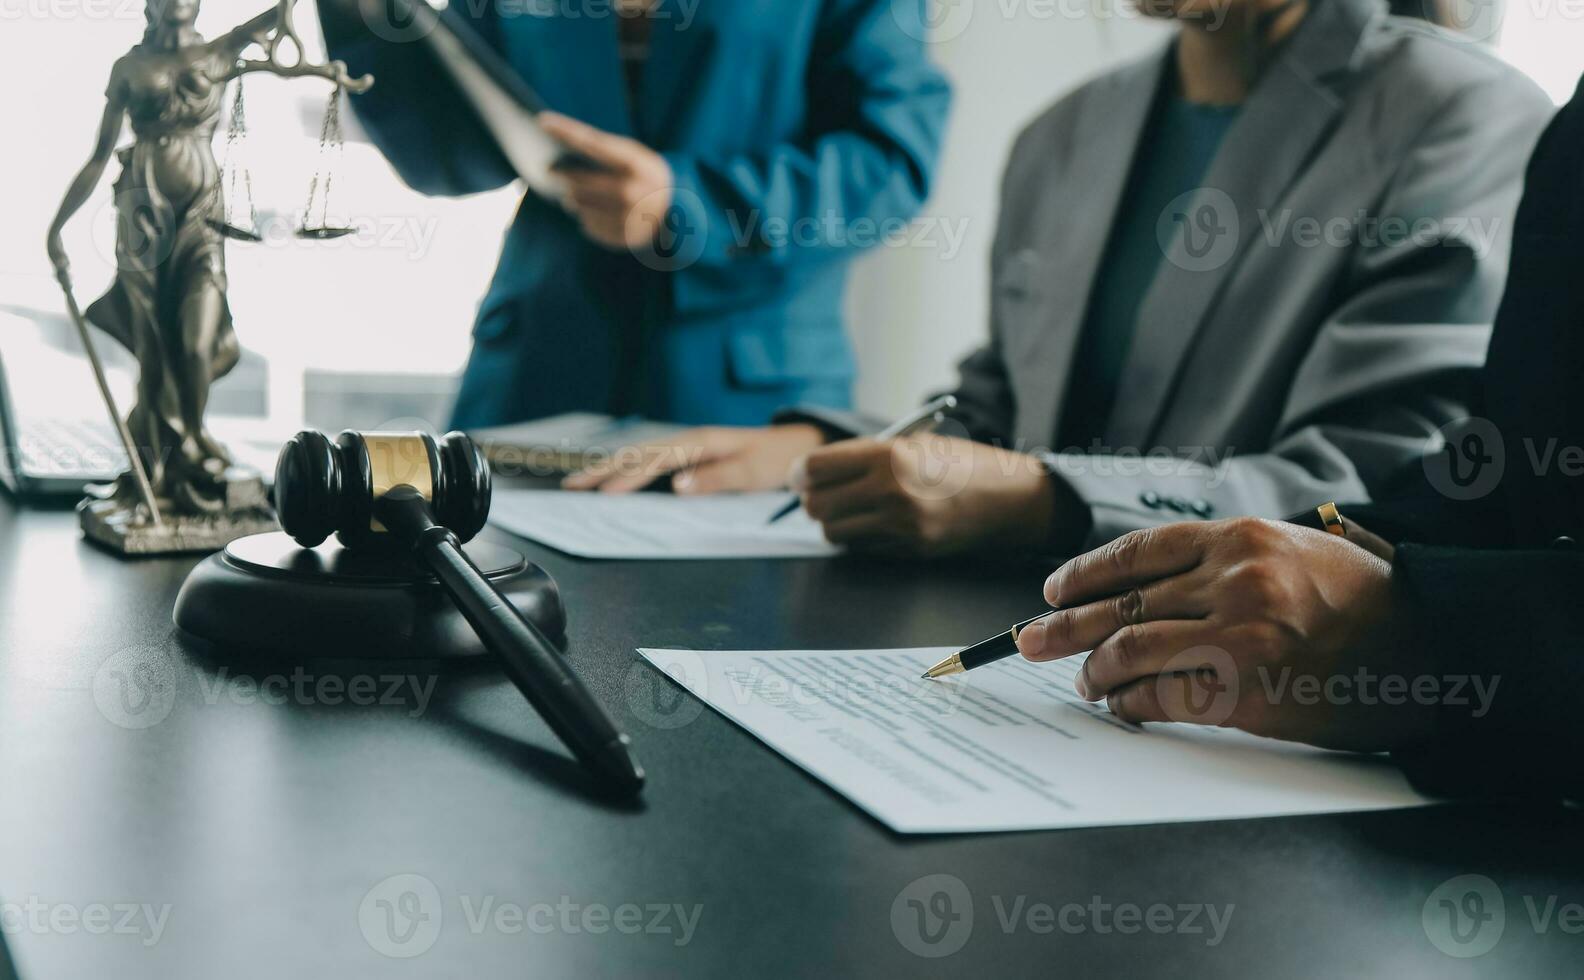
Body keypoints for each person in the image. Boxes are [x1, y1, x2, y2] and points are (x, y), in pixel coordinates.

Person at [570, 0, 1552, 559]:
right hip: (1018, 668)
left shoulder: (1460, 115)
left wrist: (1048, 497)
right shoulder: (1064, 133)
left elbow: (1381, 483)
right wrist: (822, 446)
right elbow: (1002, 405)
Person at [1010, 72, 1584, 799]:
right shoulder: (1068, 120)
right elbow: (1507, 478)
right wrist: (1315, 554)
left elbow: (1381, 446)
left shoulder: (1464, 111)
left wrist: (1422, 635)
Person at [318, 0, 951, 428]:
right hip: (535, 372)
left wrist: (687, 205)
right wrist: (362, 16)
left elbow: (891, 157)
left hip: (746, 392)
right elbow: (450, 156)